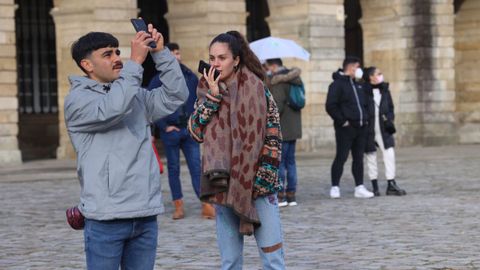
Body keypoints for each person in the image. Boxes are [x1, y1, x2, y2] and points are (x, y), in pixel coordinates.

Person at [64, 26, 188, 269]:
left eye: (117, 52)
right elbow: (113, 109)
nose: (117, 59)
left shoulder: (135, 95)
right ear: (87, 65)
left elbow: (176, 95)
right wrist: (136, 62)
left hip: (144, 212)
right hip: (106, 217)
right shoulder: (77, 101)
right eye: (107, 54)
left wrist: (161, 54)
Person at [188, 31, 286, 269]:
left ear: (237, 59)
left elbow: (273, 135)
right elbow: (194, 131)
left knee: (273, 259)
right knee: (230, 261)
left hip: (259, 183)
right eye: (212, 58)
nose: (215, 64)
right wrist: (213, 97)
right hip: (223, 183)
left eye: (221, 58)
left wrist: (263, 177)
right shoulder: (205, 90)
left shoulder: (258, 88)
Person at [148, 42, 215, 220]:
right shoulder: (157, 79)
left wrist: (197, 122)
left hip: (189, 130)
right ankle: (178, 205)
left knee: (196, 167)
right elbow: (150, 105)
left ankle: (206, 204)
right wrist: (163, 126)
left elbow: (199, 98)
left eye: (178, 53)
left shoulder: (189, 75)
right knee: (173, 169)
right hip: (170, 132)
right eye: (172, 53)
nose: (176, 56)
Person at [325, 56, 374, 199]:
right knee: (341, 157)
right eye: (357, 67)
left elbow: (364, 103)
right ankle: (335, 186)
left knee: (358, 158)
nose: (359, 70)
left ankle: (359, 186)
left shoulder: (358, 84)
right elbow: (331, 106)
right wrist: (343, 121)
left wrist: (365, 120)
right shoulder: (337, 85)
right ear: (351, 67)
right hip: (346, 128)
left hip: (361, 127)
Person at [363, 66, 407, 196]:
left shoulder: (385, 90)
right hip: (369, 128)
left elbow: (390, 107)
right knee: (371, 155)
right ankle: (374, 186)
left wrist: (390, 119)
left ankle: (391, 183)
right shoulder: (364, 91)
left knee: (389, 153)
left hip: (384, 127)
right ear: (371, 77)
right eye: (378, 73)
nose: (381, 76)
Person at [265, 58, 303, 207]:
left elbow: (277, 107)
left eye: (269, 67)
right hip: (294, 127)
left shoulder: (278, 81)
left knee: (280, 163)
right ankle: (291, 195)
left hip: (281, 128)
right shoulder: (295, 78)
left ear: (274, 66)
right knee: (291, 162)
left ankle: (281, 196)